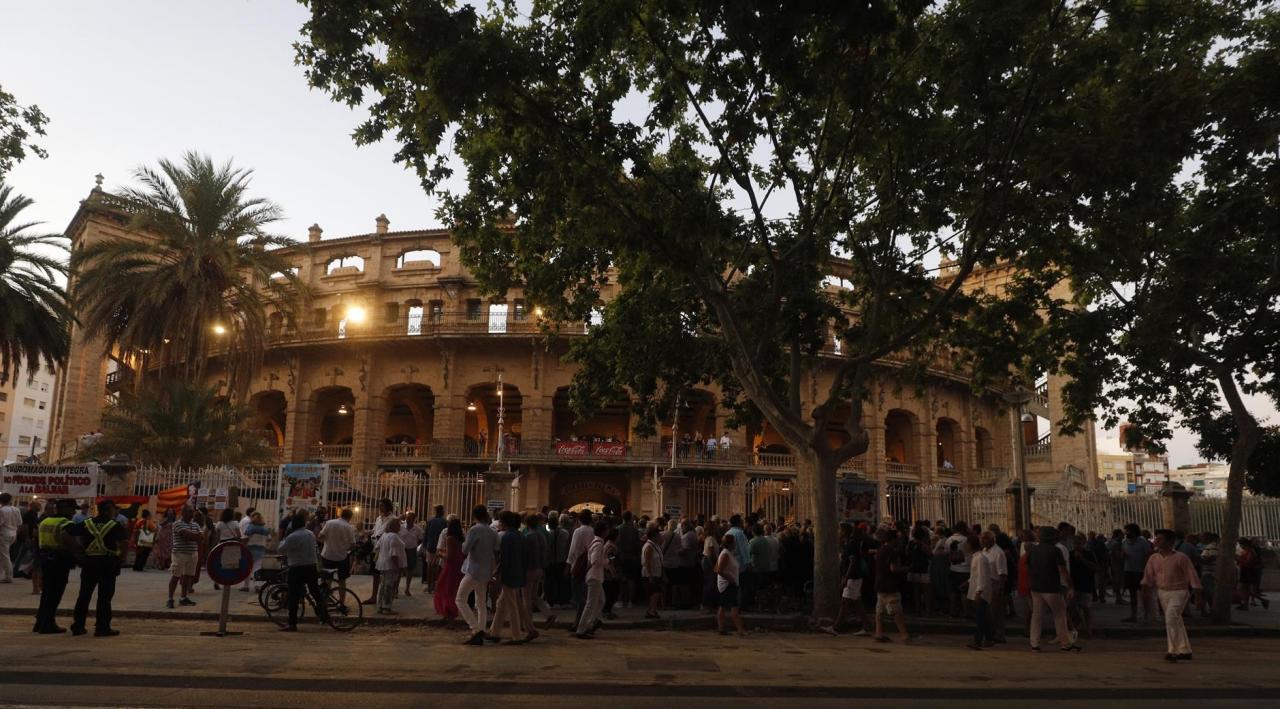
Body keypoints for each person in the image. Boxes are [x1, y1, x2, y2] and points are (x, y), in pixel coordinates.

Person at [1142, 529, 1203, 662]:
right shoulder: (1154, 558)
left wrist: (1198, 596)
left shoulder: (1181, 557)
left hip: (1179, 591)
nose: (1157, 541)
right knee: (1175, 620)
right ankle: (1184, 649)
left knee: (1170, 617)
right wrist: (1145, 590)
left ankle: (1173, 650)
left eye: (1161, 538)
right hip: (1163, 591)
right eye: (1157, 538)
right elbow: (1148, 576)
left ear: (1170, 541)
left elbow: (1192, 576)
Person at [69, 500, 127, 637]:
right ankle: (102, 627)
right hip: (108, 563)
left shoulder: (87, 523)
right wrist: (122, 558)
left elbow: (66, 533)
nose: (116, 511)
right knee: (105, 597)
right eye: (114, 508)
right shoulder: (115, 524)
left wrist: (78, 551)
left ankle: (78, 626)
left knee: (84, 595)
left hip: (89, 563)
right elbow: (124, 542)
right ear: (109, 509)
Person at [1027, 526, 1078, 652]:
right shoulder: (1055, 551)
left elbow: (1029, 567)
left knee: (1036, 615)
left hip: (1036, 586)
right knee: (1060, 614)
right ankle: (1065, 643)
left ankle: (1034, 643)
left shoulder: (1032, 549)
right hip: (1051, 587)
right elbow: (1062, 570)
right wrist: (1070, 586)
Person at [34, 499, 79, 634]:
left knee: (47, 593)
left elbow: (35, 538)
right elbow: (71, 543)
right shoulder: (66, 523)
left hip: (45, 559)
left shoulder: (44, 521)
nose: (74, 512)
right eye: (72, 509)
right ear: (65, 509)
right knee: (55, 594)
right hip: (60, 561)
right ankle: (48, 624)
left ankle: (40, 622)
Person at [276, 512, 327, 631]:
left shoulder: (293, 536)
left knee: (293, 596)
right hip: (311, 566)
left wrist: (284, 539)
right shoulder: (310, 534)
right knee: (315, 592)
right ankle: (324, 615)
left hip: (297, 567)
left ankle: (292, 624)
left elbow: (281, 549)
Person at [458, 505, 499, 646]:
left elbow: (465, 549)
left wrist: (463, 542)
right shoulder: (492, 531)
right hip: (486, 570)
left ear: (474, 516)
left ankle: (475, 629)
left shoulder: (474, 529)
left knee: (460, 599)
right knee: (481, 602)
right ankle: (481, 629)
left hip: (474, 569)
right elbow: (496, 549)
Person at [489, 511, 530, 643]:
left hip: (509, 575)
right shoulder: (520, 536)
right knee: (502, 604)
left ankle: (516, 636)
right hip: (518, 573)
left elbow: (505, 559)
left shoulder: (507, 537)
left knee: (511, 606)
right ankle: (494, 632)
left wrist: (498, 573)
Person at [823, 523, 869, 635]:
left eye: (840, 530)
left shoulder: (851, 545)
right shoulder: (849, 543)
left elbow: (852, 563)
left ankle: (836, 627)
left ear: (844, 532)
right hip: (852, 577)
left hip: (853, 578)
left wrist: (845, 579)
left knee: (845, 602)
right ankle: (867, 625)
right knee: (857, 603)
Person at [874, 528, 911, 644]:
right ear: (893, 539)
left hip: (880, 583)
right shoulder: (892, 551)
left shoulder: (880, 550)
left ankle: (879, 633)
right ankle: (904, 635)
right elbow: (894, 568)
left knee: (880, 612)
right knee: (896, 611)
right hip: (890, 584)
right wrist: (906, 568)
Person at [574, 521, 608, 639]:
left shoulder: (596, 541)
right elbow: (595, 561)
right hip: (595, 576)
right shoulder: (599, 544)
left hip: (594, 576)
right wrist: (607, 561)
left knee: (600, 601)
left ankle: (590, 623)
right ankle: (582, 628)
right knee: (590, 604)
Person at [523, 513, 555, 629]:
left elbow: (525, 555)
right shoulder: (542, 535)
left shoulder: (528, 536)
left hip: (529, 569)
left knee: (526, 598)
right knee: (534, 596)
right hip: (540, 568)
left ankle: (528, 624)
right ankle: (549, 614)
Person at [166, 506, 203, 608]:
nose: (192, 514)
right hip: (179, 553)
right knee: (176, 576)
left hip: (192, 553)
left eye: (192, 512)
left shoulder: (195, 524)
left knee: (187, 576)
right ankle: (170, 598)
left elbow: (201, 537)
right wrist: (194, 536)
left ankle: (183, 597)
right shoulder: (177, 524)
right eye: (190, 512)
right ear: (183, 513)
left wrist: (192, 536)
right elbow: (188, 535)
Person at [566, 509, 595, 629]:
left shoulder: (578, 531)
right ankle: (583, 622)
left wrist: (568, 564)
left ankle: (578, 623)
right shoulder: (592, 531)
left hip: (578, 565)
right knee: (586, 596)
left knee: (579, 597)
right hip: (590, 565)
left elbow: (573, 550)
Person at [365, 498, 396, 605]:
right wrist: (370, 533)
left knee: (386, 574)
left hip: (386, 549)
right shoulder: (379, 518)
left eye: (382, 505)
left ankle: (387, 597)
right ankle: (374, 596)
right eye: (379, 505)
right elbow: (375, 530)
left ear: (388, 506)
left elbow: (394, 533)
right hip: (376, 548)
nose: (380, 507)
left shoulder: (393, 519)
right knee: (375, 573)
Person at [434, 517, 465, 623]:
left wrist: (440, 554)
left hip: (451, 565)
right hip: (459, 564)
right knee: (451, 589)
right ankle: (449, 612)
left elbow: (449, 556)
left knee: (444, 588)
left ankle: (449, 612)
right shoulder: (460, 537)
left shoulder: (450, 538)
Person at [715, 532, 746, 636]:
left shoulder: (726, 553)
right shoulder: (725, 554)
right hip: (728, 584)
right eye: (734, 543)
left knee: (723, 606)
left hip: (727, 583)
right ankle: (740, 629)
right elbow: (718, 570)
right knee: (734, 607)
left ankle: (721, 628)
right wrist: (730, 578)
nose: (735, 545)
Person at [318, 508, 357, 593]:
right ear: (350, 517)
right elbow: (353, 545)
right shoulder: (349, 527)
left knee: (327, 580)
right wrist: (345, 549)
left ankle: (325, 601)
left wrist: (327, 543)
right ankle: (342, 603)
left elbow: (320, 536)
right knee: (342, 581)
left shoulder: (329, 523)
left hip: (327, 555)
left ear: (340, 515)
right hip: (341, 557)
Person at [1121, 523, 1153, 623]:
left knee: (1144, 594)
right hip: (1129, 570)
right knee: (1132, 594)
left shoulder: (1142, 542)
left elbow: (1148, 554)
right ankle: (1133, 615)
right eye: (1125, 531)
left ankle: (1146, 615)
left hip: (1140, 571)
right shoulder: (1124, 541)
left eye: (1128, 530)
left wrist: (1146, 569)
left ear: (1134, 531)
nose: (1126, 533)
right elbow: (1122, 553)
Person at [980, 530, 1008, 642]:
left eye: (985, 538)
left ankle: (999, 634)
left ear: (991, 540)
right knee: (988, 611)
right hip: (986, 583)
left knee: (996, 611)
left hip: (995, 583)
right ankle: (991, 633)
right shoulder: (984, 551)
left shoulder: (998, 552)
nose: (982, 541)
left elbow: (1002, 573)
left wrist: (1000, 588)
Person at [375, 517, 407, 615]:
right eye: (398, 525)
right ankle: (387, 607)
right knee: (389, 586)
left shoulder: (384, 535)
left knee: (383, 585)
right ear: (394, 526)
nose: (400, 527)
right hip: (391, 565)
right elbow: (394, 554)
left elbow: (377, 547)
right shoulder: (394, 536)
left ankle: (380, 606)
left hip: (383, 564)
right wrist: (397, 567)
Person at [965, 535, 991, 650]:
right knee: (982, 617)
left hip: (980, 592)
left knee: (980, 618)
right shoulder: (976, 557)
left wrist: (978, 592)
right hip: (976, 589)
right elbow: (975, 575)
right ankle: (989, 638)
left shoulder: (980, 558)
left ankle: (978, 641)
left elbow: (982, 576)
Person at [1236, 538, 1268, 611]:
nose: (1241, 546)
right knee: (1244, 589)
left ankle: (1247, 603)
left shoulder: (1251, 551)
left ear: (1245, 544)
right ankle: (1246, 604)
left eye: (1241, 544)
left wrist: (1239, 559)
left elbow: (1249, 562)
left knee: (1243, 588)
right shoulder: (1245, 551)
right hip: (1245, 570)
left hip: (1249, 571)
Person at [242, 512, 270, 592]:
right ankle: (257, 586)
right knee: (257, 568)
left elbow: (246, 537)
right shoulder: (265, 529)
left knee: (248, 567)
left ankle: (246, 586)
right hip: (261, 550)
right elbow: (269, 538)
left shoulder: (251, 527)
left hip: (250, 549)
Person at [642, 522, 664, 619]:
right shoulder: (649, 546)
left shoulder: (655, 545)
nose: (660, 536)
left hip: (656, 572)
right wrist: (650, 574)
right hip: (651, 573)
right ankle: (651, 610)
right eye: (658, 534)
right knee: (655, 592)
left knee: (656, 592)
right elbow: (647, 561)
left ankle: (652, 610)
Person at [422, 505, 448, 592]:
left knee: (429, 566)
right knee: (437, 566)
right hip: (440, 547)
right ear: (442, 512)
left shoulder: (430, 521)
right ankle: (436, 585)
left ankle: (429, 586)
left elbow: (425, 534)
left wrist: (424, 545)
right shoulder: (444, 522)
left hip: (430, 546)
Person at [398, 510, 423, 597]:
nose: (408, 519)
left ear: (414, 519)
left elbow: (421, 539)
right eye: (407, 518)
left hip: (412, 550)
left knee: (410, 570)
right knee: (399, 569)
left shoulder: (418, 529)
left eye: (410, 518)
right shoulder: (401, 527)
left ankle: (407, 588)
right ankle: (396, 589)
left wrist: (415, 545)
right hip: (402, 550)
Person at [0, 492, 22, 583]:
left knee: (5, 556)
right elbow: (19, 523)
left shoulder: (2, 510)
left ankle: (8, 576)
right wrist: (16, 534)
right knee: (3, 555)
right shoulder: (16, 509)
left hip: (3, 534)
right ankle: (3, 573)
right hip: (13, 533)